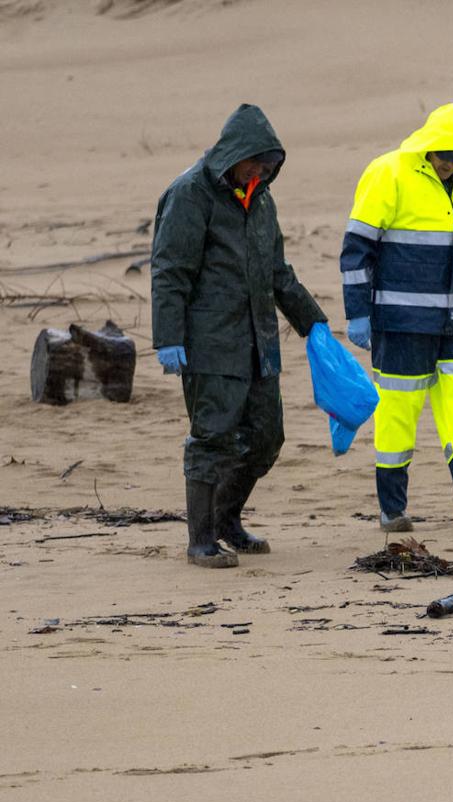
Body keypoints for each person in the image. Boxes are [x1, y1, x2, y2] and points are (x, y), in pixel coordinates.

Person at [151, 104, 328, 569]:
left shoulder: (261, 198)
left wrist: (314, 323)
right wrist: (168, 337)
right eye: (257, 163)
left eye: (270, 167)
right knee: (212, 437)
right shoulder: (191, 193)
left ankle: (228, 520)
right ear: (235, 153)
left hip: (259, 343)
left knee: (267, 437)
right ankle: (201, 541)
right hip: (209, 342)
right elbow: (170, 272)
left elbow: (278, 273)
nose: (263, 172)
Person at [339, 103, 453, 532]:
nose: (449, 166)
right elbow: (356, 250)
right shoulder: (388, 172)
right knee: (398, 415)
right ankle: (392, 509)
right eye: (443, 157)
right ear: (427, 149)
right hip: (400, 322)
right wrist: (358, 314)